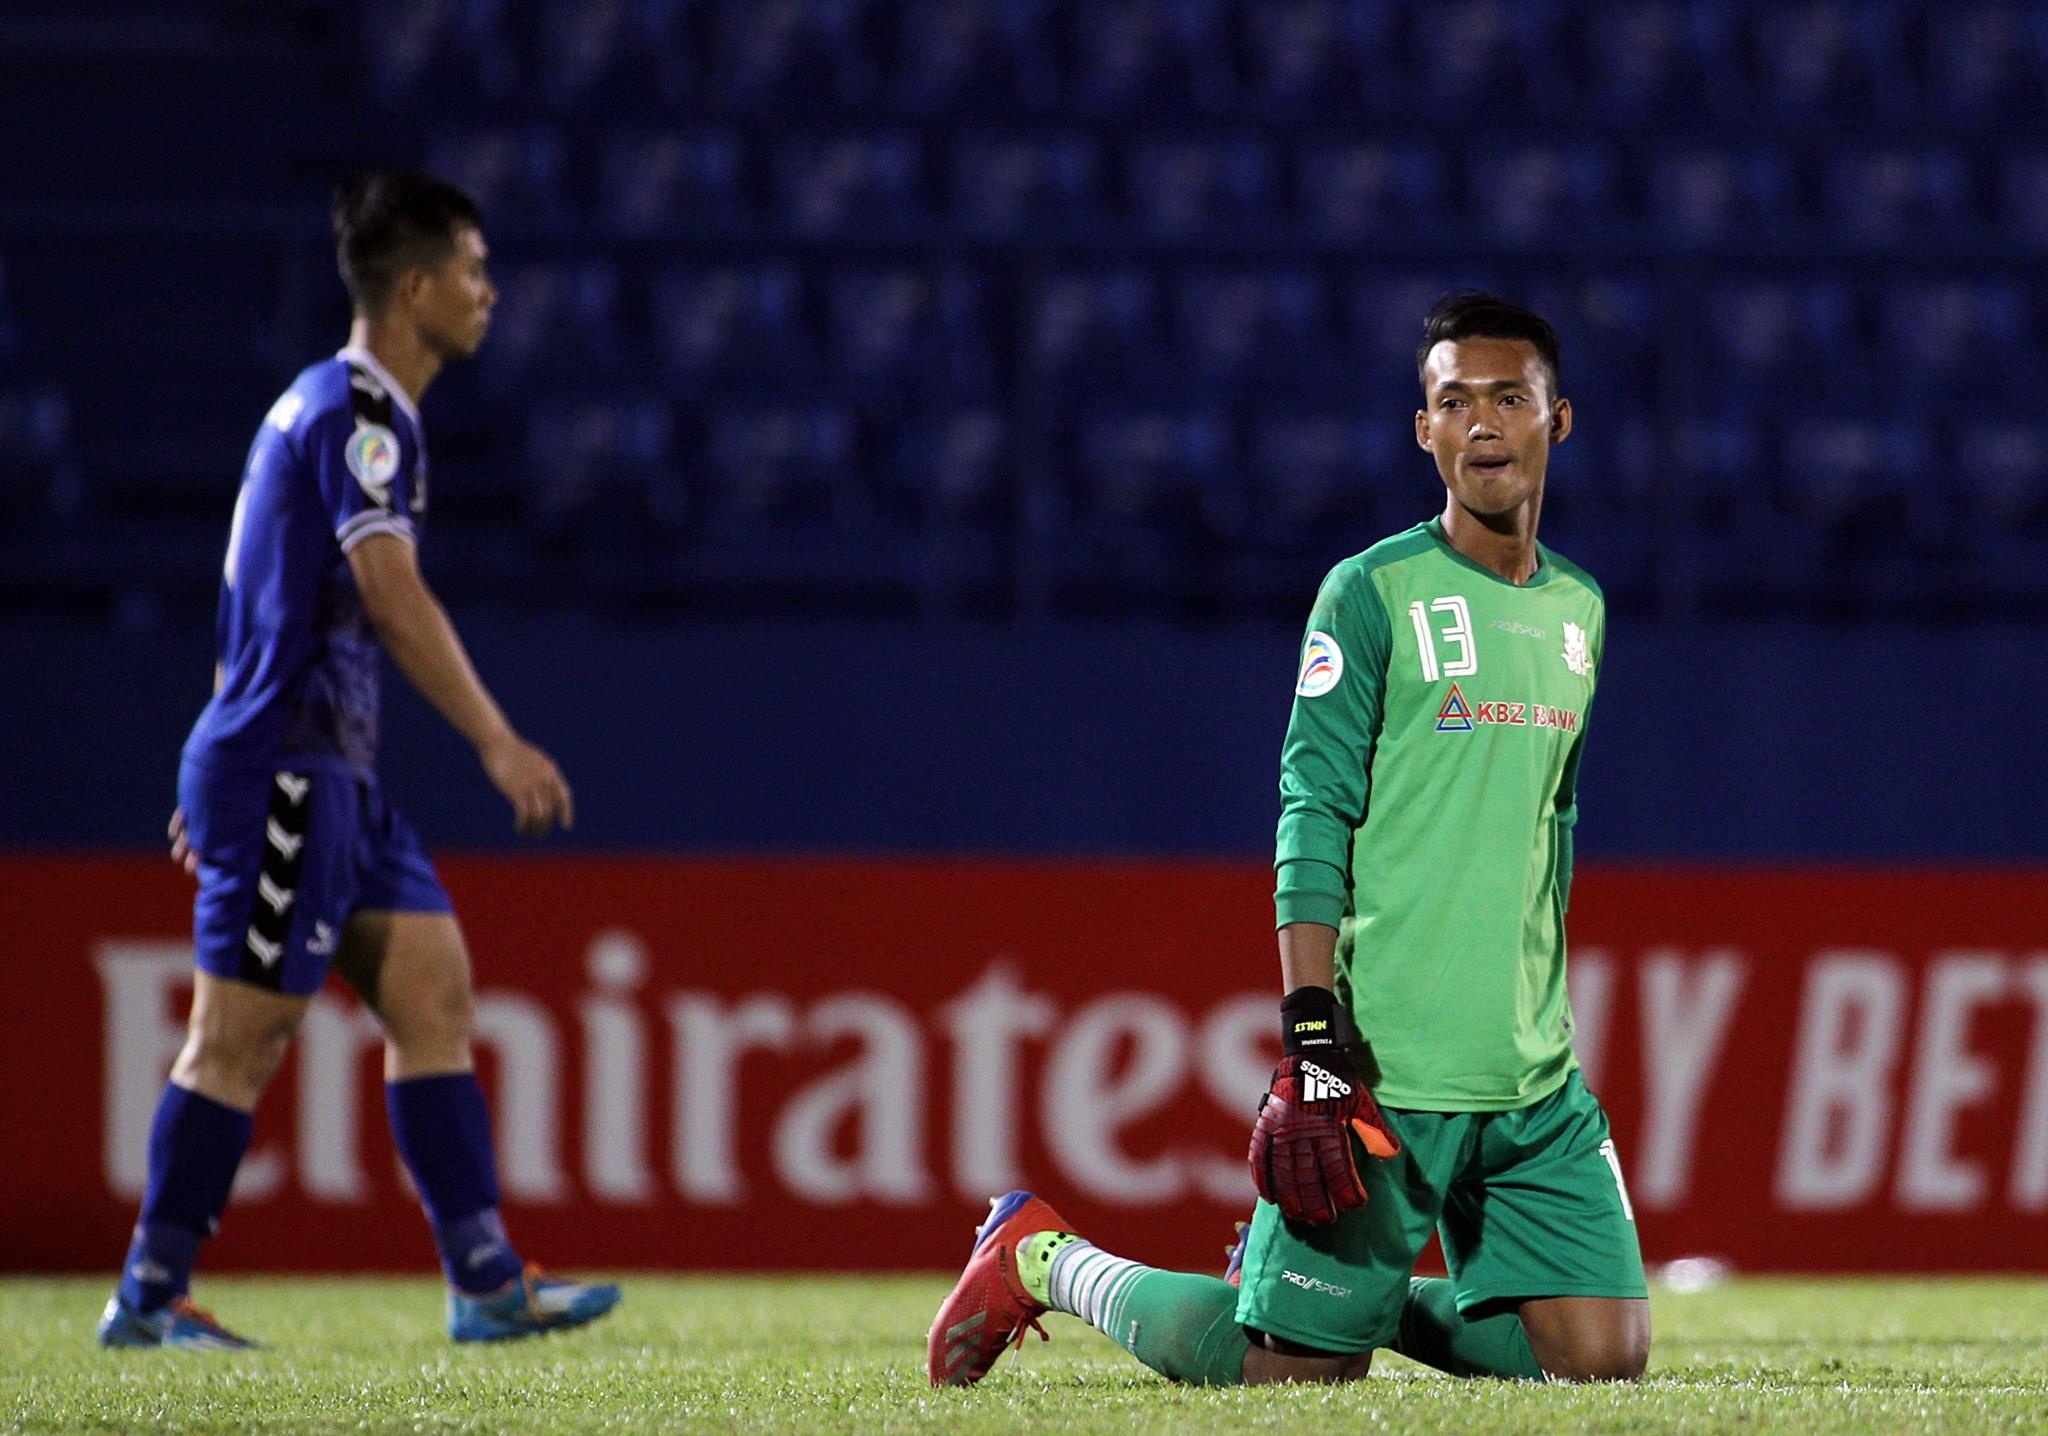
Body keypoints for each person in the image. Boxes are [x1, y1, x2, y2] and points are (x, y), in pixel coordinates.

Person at [929, 292, 1647, 1387]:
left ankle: (1357, 1300)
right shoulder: (1368, 593)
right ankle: (1041, 1255)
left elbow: (1554, 820)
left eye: (1510, 398)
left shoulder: (1580, 610)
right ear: (1424, 430)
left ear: (1558, 419)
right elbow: (1309, 809)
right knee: (1285, 1385)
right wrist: (1313, 1032)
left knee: (1598, 1361)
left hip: (1532, 1077)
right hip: (1383, 1070)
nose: (1482, 424)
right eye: (1453, 401)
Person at [99, 170, 620, 1350]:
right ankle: (149, 1291)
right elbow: (386, 590)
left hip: (321, 766)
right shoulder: (356, 413)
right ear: (416, 282)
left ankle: (485, 1279)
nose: (490, 293)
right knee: (241, 1038)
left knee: (434, 990)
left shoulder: (345, 410)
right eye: (475, 271)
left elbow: (274, 597)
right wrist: (495, 737)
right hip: (287, 767)